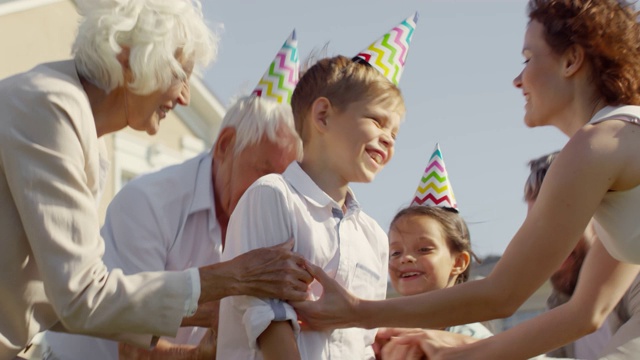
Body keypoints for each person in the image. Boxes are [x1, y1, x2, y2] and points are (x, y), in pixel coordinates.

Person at [292, 0, 640, 359]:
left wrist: (356, 311)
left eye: (527, 58)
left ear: (571, 60)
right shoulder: (618, 140)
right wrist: (458, 353)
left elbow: (502, 294)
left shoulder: (595, 146)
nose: (518, 79)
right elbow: (586, 313)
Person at [0, 1, 310, 358]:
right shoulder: (53, 107)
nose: (185, 96)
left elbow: (53, 298)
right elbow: (81, 297)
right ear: (131, 58)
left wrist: (213, 307)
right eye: (180, 74)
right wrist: (233, 277)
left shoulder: (81, 127)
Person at [216, 13, 418, 360]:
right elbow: (269, 321)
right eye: (376, 121)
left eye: (395, 133)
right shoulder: (272, 197)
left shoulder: (373, 237)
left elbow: (364, 343)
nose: (387, 139)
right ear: (322, 115)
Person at [374, 145, 491, 359]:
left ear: (459, 262)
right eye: (395, 252)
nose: (406, 258)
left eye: (424, 249)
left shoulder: (473, 340)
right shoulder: (383, 338)